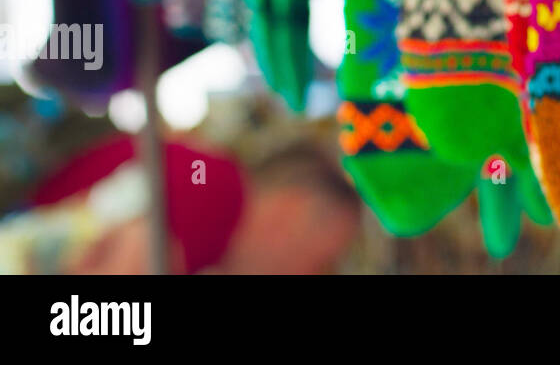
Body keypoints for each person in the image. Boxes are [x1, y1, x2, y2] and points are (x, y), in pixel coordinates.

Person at [1, 134, 360, 274]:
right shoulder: (216, 197)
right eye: (320, 262)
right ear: (293, 214)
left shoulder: (212, 181)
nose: (310, 275)